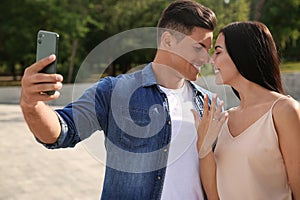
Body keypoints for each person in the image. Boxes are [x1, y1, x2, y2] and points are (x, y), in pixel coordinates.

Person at [20, 1, 218, 199]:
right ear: (168, 41)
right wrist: (32, 105)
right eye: (198, 47)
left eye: (208, 50)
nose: (206, 58)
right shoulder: (114, 91)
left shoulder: (210, 104)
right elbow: (62, 131)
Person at [192, 21, 300, 200]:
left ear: (242, 55)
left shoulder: (284, 111)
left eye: (218, 52)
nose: (212, 60)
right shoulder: (225, 119)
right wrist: (204, 148)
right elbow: (214, 196)